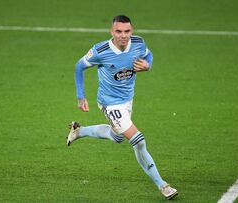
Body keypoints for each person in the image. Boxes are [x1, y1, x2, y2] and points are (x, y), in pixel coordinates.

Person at [67, 15, 178, 200]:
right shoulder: (100, 51)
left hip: (128, 100)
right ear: (112, 32)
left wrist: (148, 65)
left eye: (127, 31)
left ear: (131, 31)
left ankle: (80, 131)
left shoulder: (138, 43)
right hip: (109, 103)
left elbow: (148, 54)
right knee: (139, 140)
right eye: (118, 31)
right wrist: (81, 97)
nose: (123, 35)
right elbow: (79, 67)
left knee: (117, 136)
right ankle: (163, 185)